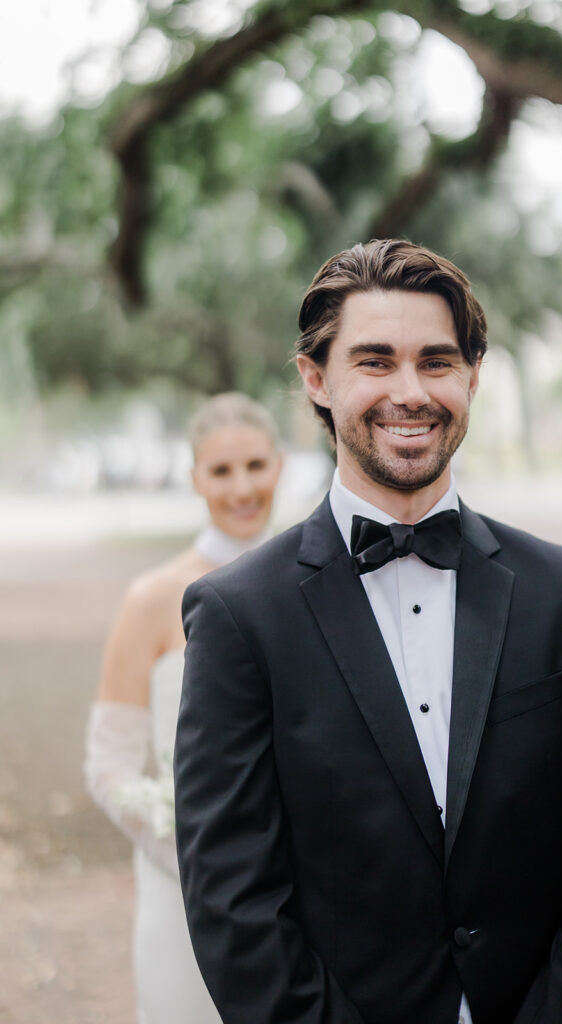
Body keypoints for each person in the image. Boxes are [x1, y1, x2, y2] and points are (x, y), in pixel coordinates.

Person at [174, 240, 562, 1024]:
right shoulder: (238, 615)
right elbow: (232, 895)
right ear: (315, 378)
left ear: (472, 376)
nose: (410, 391)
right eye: (374, 361)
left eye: (436, 362)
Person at [85, 392, 283, 1024]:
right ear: (194, 476)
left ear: (280, 465)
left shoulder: (312, 582)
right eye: (221, 471)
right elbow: (108, 763)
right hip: (183, 894)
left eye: (255, 465)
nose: (242, 487)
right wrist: (191, 849)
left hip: (299, 887)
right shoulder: (151, 600)